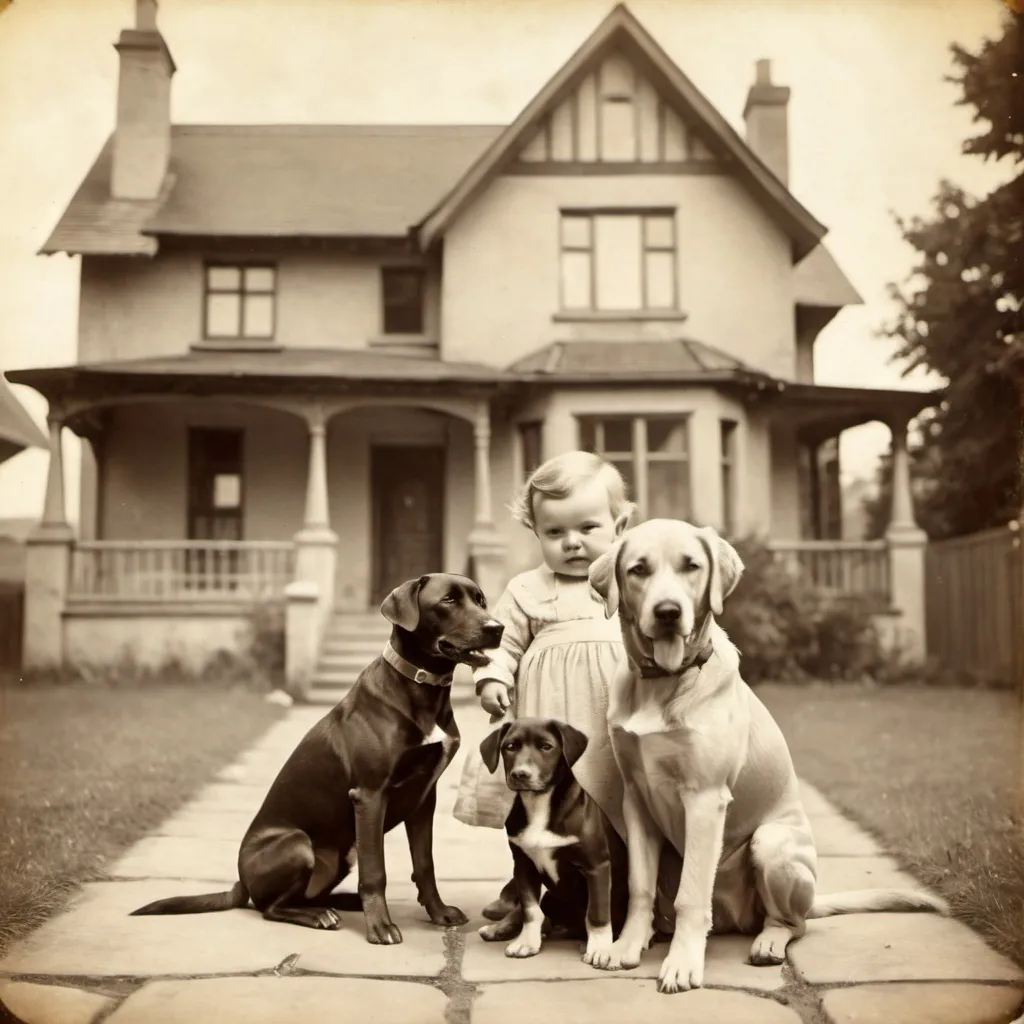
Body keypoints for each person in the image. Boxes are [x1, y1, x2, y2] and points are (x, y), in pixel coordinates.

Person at [453, 449, 634, 922]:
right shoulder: (527, 589)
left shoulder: (629, 582)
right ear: (536, 533)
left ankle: (630, 884)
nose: (572, 543)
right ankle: (525, 883)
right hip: (547, 714)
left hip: (609, 716)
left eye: (588, 528)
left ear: (620, 525)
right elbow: (502, 642)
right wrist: (492, 676)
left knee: (615, 801)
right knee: (534, 803)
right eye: (555, 532)